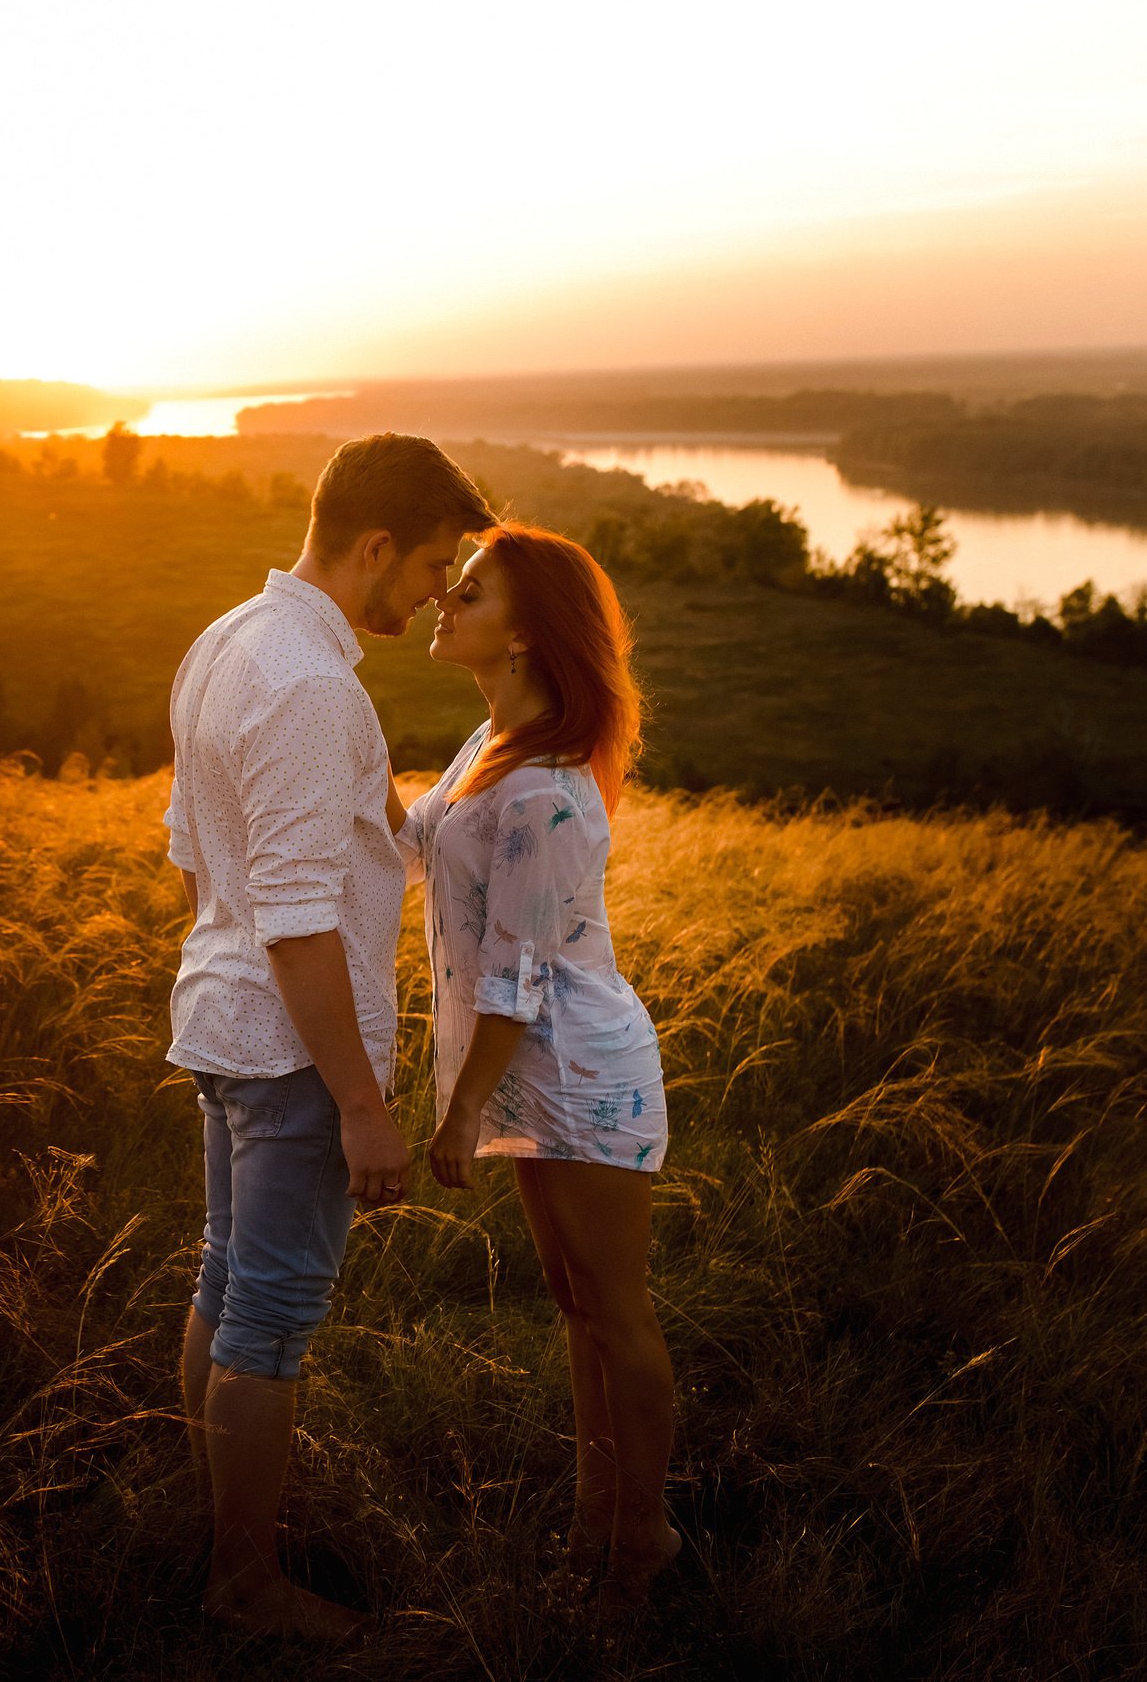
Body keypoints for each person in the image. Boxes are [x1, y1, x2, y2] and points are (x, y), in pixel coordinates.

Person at [162, 433, 496, 1639]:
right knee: (271, 1316)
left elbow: (201, 852)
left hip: (220, 1017)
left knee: (225, 1279)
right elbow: (300, 924)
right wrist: (361, 1101)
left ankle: (215, 1529)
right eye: (430, 563)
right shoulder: (309, 687)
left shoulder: (229, 642)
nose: (433, 590)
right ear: (372, 546)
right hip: (292, 1051)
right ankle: (243, 1580)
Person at [393, 522, 680, 1611]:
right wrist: (332, 735)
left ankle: (641, 1537)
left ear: (524, 636)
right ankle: (590, 1522)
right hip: (528, 1070)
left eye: (466, 593)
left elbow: (518, 976)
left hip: (581, 1072)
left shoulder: (545, 790)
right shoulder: (488, 746)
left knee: (616, 1309)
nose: (442, 603)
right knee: (574, 1303)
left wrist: (460, 1112)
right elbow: (412, 842)